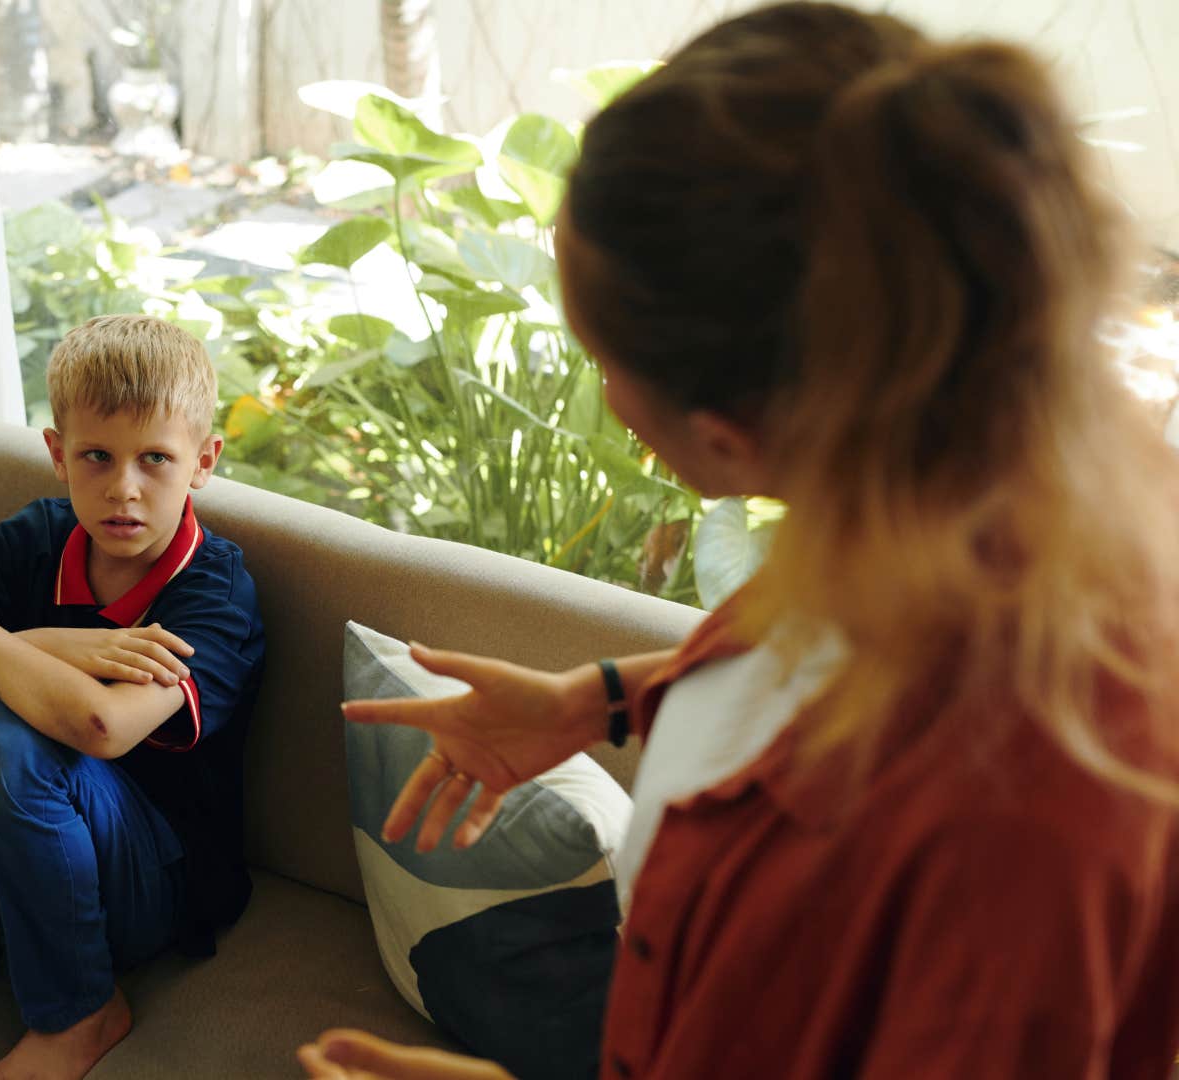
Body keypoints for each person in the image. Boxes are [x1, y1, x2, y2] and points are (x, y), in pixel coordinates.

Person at [300, 3, 1179, 1077]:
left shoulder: (1022, 845)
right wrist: (604, 699)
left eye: (604, 357)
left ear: (726, 435)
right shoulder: (972, 455)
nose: (604, 390)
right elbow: (816, 662)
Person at [0, 314, 264, 1080]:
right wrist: (49, 642)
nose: (123, 489)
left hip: (152, 880)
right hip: (10, 846)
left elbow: (102, 725)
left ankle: (80, 1010)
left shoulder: (215, 592)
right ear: (56, 452)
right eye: (96, 457)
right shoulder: (37, 538)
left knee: (0, 741)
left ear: (203, 462)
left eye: (156, 460)